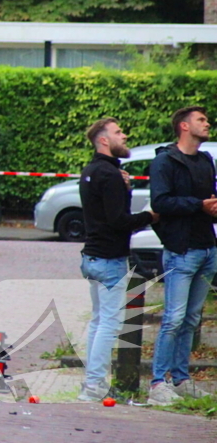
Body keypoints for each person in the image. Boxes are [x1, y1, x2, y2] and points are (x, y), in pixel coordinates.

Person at [77, 118, 157, 402]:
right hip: (110, 259)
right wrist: (150, 216)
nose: (124, 136)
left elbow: (104, 211)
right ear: (103, 140)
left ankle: (92, 383)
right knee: (109, 323)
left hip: (92, 256)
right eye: (118, 132)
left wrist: (126, 188)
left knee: (99, 322)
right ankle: (94, 385)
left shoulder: (91, 171)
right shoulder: (110, 175)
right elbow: (119, 220)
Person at [146, 106, 217, 405]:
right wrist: (198, 205)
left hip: (207, 248)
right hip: (181, 249)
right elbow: (160, 201)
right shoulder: (165, 161)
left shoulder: (206, 160)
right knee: (173, 319)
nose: (208, 123)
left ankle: (182, 378)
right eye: (201, 120)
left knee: (190, 319)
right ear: (184, 126)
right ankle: (157, 383)